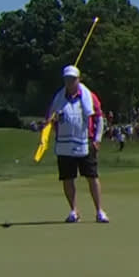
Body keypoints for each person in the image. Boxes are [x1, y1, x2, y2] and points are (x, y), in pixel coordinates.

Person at [46, 65, 108, 223]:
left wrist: (97, 139)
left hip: (85, 142)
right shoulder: (58, 99)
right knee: (68, 178)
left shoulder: (89, 96)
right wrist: (54, 123)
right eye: (67, 79)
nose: (69, 82)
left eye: (72, 79)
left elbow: (99, 118)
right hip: (65, 145)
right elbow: (50, 119)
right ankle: (74, 210)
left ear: (78, 79)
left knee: (92, 177)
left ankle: (99, 211)